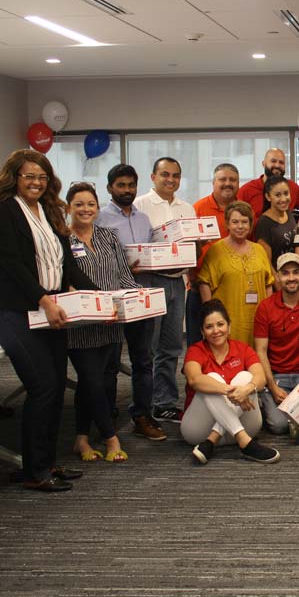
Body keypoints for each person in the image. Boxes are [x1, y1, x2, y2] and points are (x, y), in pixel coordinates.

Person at [0, 149, 98, 492]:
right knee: (42, 386)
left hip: (49, 309)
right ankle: (34, 470)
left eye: (42, 177)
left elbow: (67, 266)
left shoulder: (49, 211)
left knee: (54, 386)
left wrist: (102, 296)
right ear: (15, 178)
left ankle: (44, 463)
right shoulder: (4, 212)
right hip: (13, 311)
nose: (36, 182)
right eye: (29, 176)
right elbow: (13, 264)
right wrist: (43, 299)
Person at [65, 182, 136, 463]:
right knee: (92, 380)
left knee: (99, 381)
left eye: (90, 204)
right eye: (79, 204)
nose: (85, 209)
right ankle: (110, 438)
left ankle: (81, 439)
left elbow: (124, 275)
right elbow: (60, 281)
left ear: (97, 207)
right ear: (69, 207)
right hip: (81, 325)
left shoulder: (109, 236)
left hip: (112, 321)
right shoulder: (63, 240)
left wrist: (136, 297)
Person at [96, 163, 166, 441]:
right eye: (121, 185)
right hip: (113, 298)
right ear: (110, 188)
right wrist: (122, 268)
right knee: (109, 362)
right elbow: (96, 258)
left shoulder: (142, 219)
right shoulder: (99, 218)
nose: (126, 190)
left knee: (143, 360)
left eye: (130, 185)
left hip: (142, 296)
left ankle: (142, 416)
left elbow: (150, 253)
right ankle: (107, 417)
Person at [134, 157, 197, 422]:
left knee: (171, 347)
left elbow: (194, 244)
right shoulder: (140, 205)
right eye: (165, 175)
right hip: (151, 281)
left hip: (178, 281)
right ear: (153, 177)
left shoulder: (187, 208)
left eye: (176, 175)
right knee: (147, 347)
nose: (170, 180)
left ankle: (165, 402)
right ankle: (143, 405)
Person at [182, 299, 280, 464]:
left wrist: (247, 389)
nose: (216, 331)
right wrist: (229, 390)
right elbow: (194, 379)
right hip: (199, 431)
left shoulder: (243, 349)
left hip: (244, 424)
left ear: (229, 326)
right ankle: (244, 442)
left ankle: (213, 439)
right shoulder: (195, 350)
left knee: (246, 378)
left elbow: (260, 378)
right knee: (211, 379)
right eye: (209, 327)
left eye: (220, 324)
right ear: (202, 331)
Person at [252, 253, 299, 435]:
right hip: (279, 377)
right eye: (285, 273)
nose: (291, 278)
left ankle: (296, 417)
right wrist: (272, 386)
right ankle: (269, 401)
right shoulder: (265, 307)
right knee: (279, 426)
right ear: (278, 277)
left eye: (296, 272)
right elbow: (260, 351)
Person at [196, 201, 275, 347]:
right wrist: (210, 315)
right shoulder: (216, 250)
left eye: (245, 222)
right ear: (227, 224)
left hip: (257, 320)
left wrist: (269, 313)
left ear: (251, 225)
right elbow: (204, 282)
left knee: (256, 359)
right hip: (228, 321)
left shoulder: (259, 250)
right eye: (235, 222)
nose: (240, 226)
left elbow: (268, 283)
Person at [188, 163, 240, 347]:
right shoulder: (197, 209)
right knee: (198, 344)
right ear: (213, 182)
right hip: (200, 288)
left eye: (232, 180)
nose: (228, 183)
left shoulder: (243, 209)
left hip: (233, 289)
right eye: (222, 179)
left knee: (230, 341)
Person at [238, 146, 299, 217]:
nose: (277, 165)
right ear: (264, 164)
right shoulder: (247, 190)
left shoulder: (292, 187)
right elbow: (234, 214)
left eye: (281, 162)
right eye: (273, 161)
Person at [254, 174, 298, 269]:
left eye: (286, 193)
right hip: (278, 279)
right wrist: (277, 282)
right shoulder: (264, 222)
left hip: (294, 276)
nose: (283, 199)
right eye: (278, 195)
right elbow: (266, 263)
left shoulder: (289, 213)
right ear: (268, 197)